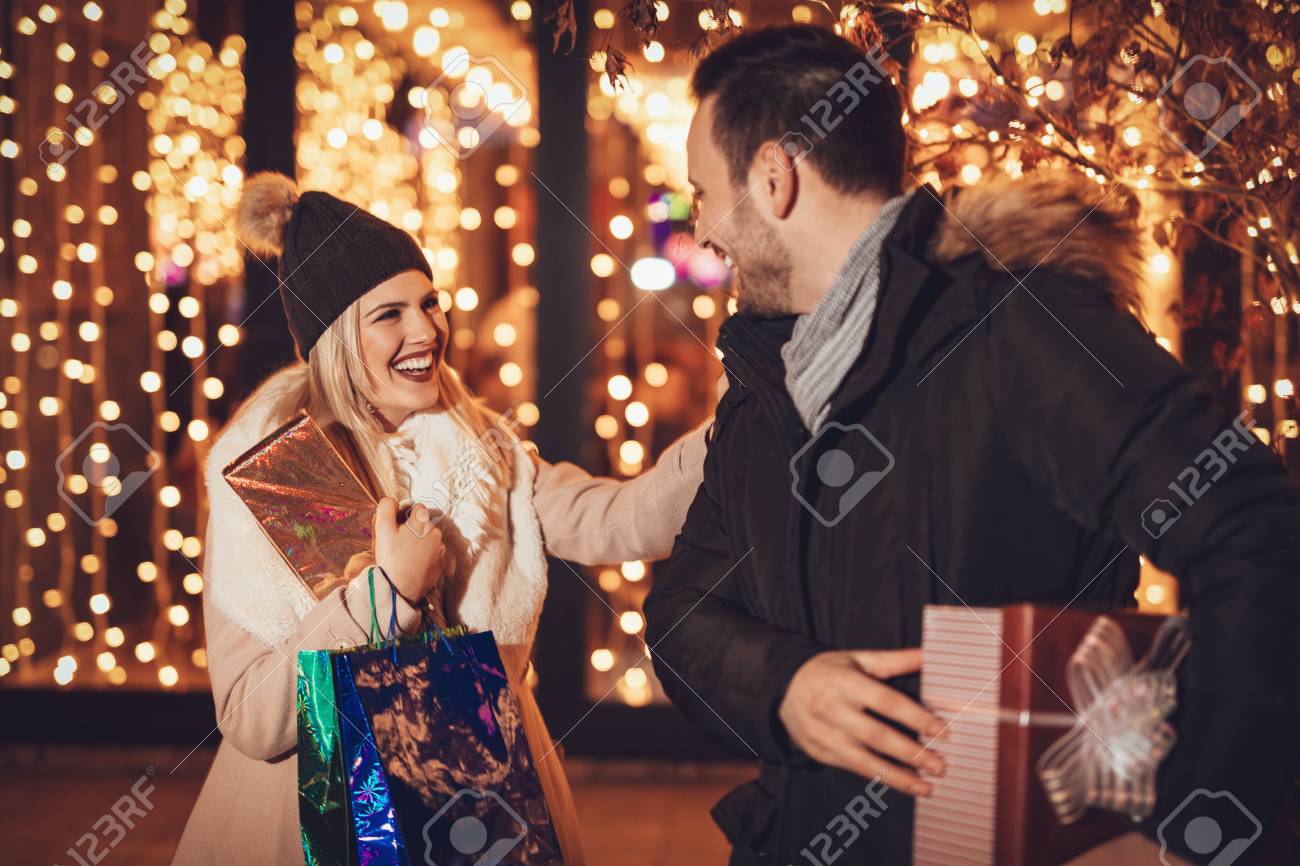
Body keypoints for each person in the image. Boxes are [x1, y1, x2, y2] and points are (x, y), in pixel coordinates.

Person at [642, 23, 1300, 866]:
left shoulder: (1015, 330)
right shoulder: (765, 390)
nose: (702, 231)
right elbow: (681, 615)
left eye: (703, 194)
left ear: (773, 178)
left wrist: (1181, 836)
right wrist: (785, 686)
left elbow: (1258, 537)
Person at [171, 173, 710, 865]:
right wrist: (384, 599)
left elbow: (620, 519)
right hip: (310, 822)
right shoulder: (274, 474)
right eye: (388, 314)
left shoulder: (485, 450)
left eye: (428, 303)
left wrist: (730, 434)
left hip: (476, 802)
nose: (427, 329)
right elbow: (252, 716)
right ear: (334, 339)